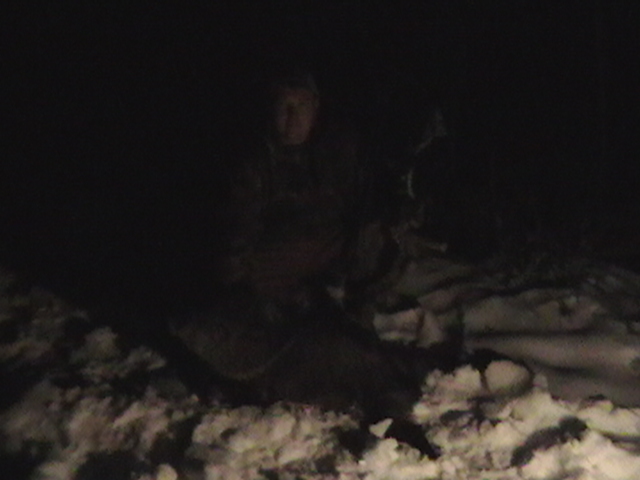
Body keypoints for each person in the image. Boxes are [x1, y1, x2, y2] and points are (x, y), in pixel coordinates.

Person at [217, 69, 363, 320]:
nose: (294, 117)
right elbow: (239, 232)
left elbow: (354, 206)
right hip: (277, 256)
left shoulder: (336, 148)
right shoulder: (254, 162)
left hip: (328, 249)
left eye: (302, 106)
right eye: (285, 106)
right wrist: (239, 287)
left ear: (315, 107)